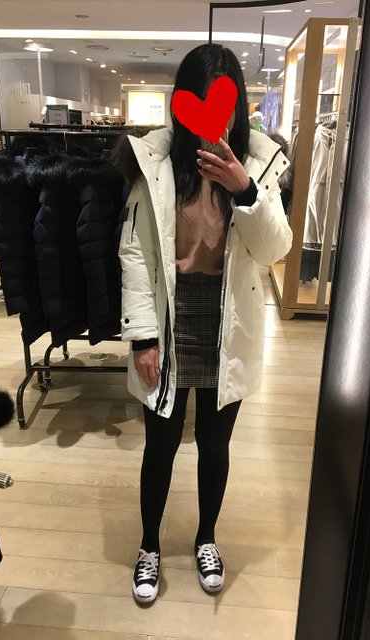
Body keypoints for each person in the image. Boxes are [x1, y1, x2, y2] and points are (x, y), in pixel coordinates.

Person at [114, 43, 293, 605]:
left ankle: (206, 538)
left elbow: (274, 250)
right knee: (161, 444)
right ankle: (149, 546)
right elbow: (135, 253)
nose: (215, 118)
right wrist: (143, 336)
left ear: (238, 108)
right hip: (169, 315)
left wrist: (246, 191)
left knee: (215, 445)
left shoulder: (258, 165)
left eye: (226, 104)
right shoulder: (155, 162)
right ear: (182, 104)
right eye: (201, 102)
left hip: (227, 318)